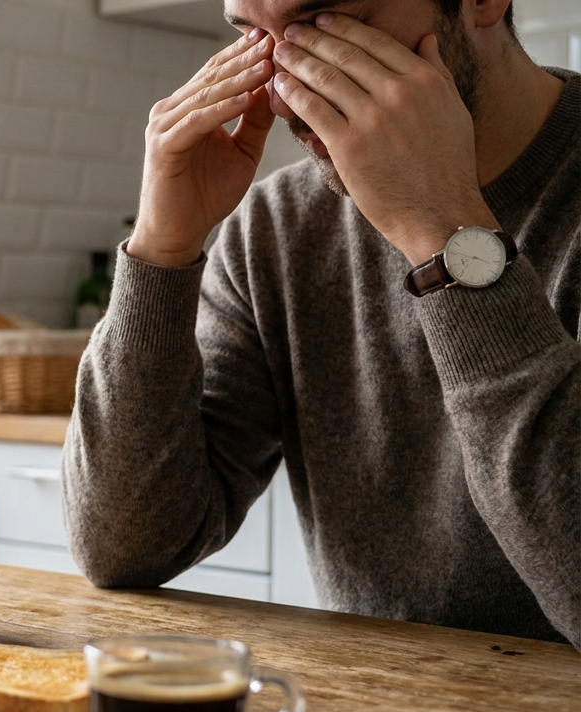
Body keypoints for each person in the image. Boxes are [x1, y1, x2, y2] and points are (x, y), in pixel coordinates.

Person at [62, 0, 581, 648]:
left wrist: (445, 234)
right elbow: (126, 548)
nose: (283, 95)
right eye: (254, 35)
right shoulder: (279, 230)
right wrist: (161, 250)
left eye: (322, 26)